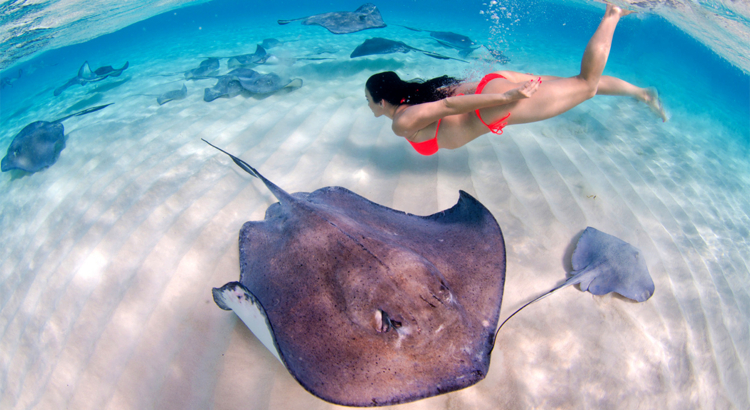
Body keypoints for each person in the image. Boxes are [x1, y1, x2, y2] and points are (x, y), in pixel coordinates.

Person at [364, 4, 667, 156]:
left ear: (382, 99)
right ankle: (642, 94)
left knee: (586, 85)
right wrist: (501, 92)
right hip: (493, 84)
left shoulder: (402, 122)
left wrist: (507, 99)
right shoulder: (419, 94)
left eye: (368, 100)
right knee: (576, 83)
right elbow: (448, 100)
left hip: (494, 105)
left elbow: (447, 108)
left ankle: (613, 12)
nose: (367, 105)